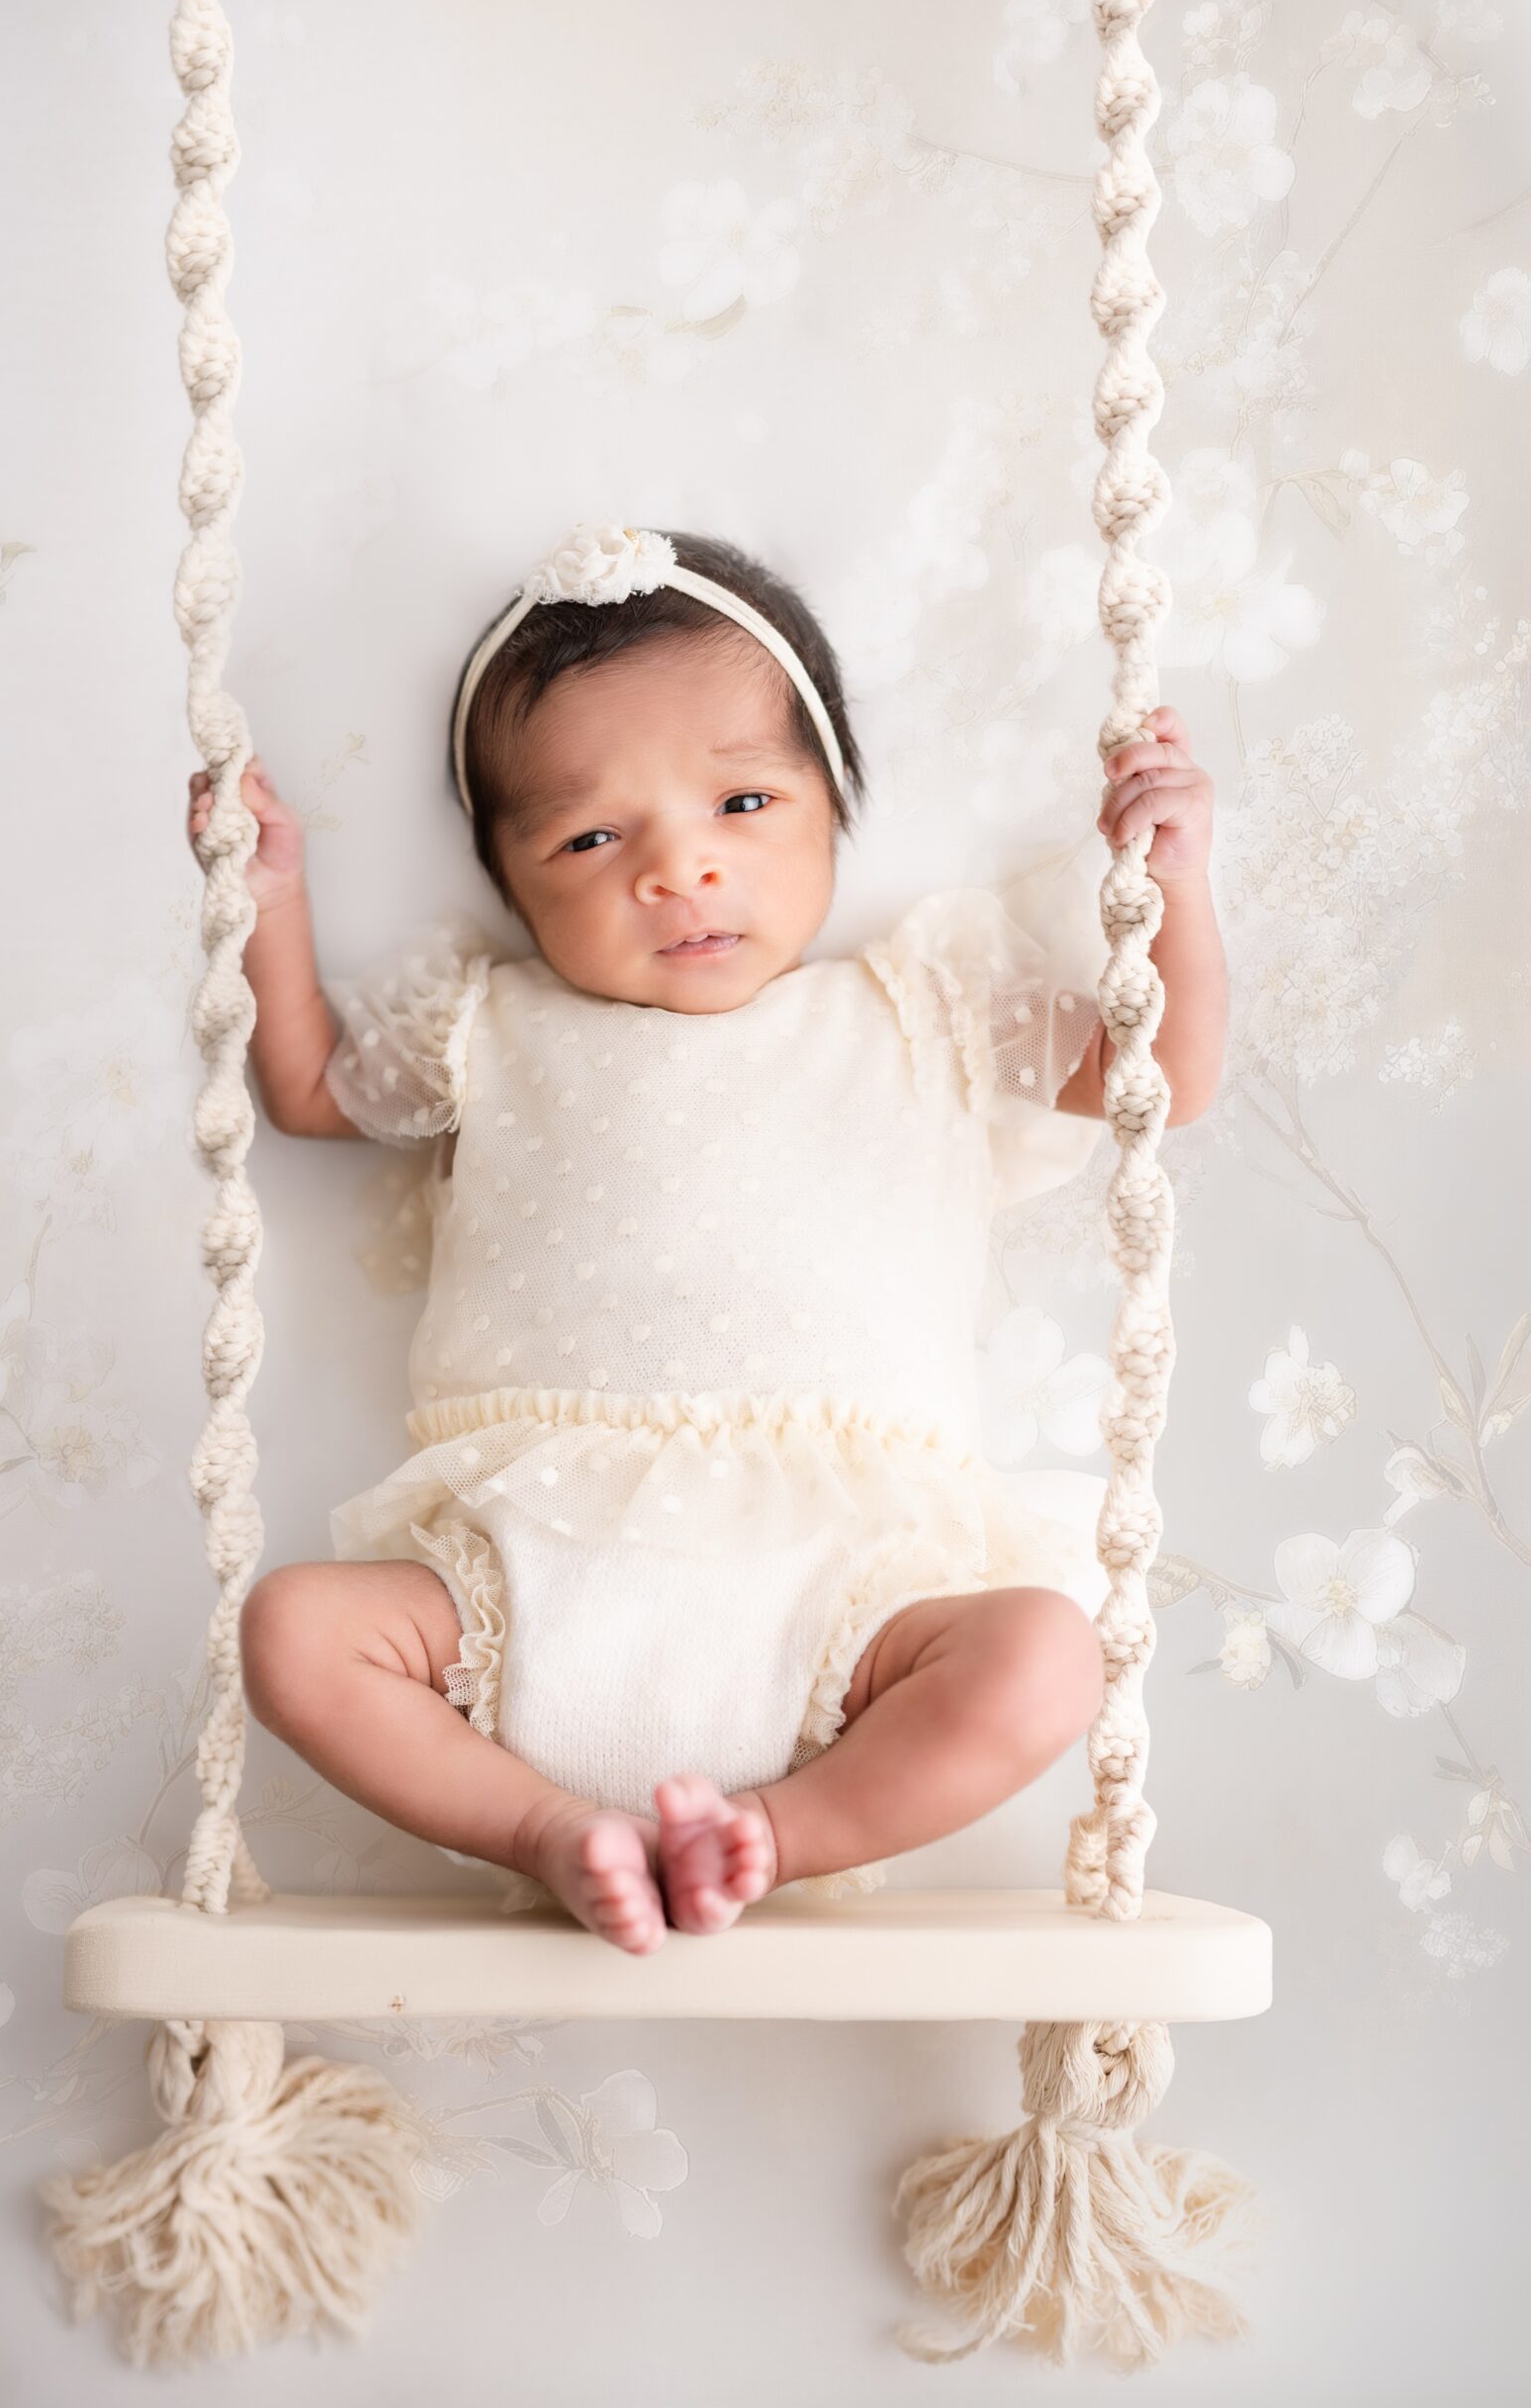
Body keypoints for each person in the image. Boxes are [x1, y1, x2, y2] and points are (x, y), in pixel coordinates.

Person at [187, 519, 1227, 1958]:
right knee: (296, 1631)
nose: (678, 871)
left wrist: (1171, 886)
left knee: (1046, 1652)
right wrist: (270, 895)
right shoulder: (488, 1026)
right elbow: (303, 1087)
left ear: (833, 809)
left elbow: (1156, 1073)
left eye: (741, 803)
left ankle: (775, 1836)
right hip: (531, 1561)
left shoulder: (918, 1004)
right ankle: (547, 1829)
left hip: (848, 1583)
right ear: (508, 876)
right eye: (592, 836)